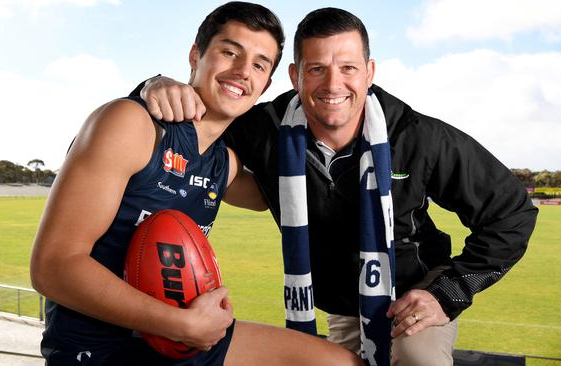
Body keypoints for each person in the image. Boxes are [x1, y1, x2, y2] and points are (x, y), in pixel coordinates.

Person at [133, 7, 539, 366]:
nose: (333, 84)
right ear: (294, 76)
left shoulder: (418, 136)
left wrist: (448, 292)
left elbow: (511, 212)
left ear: (370, 72)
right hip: (341, 304)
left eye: (348, 67)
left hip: (413, 292)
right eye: (316, 69)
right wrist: (153, 85)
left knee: (418, 359)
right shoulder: (263, 129)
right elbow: (197, 123)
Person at [30, 2, 363, 365]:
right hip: (102, 350)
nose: (241, 72)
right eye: (229, 52)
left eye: (258, 64)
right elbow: (53, 266)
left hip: (188, 339)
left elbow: (285, 193)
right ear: (195, 55)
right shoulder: (132, 125)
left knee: (339, 362)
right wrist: (180, 324)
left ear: (266, 84)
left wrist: (333, 112)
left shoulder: (225, 163)